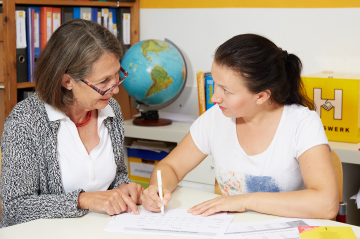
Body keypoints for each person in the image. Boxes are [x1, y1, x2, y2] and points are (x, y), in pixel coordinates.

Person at [141, 34, 339, 219]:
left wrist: (245, 201)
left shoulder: (302, 123)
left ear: (262, 96)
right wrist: (158, 189)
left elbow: (326, 204)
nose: (215, 98)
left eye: (226, 90)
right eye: (215, 84)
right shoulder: (214, 119)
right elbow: (170, 168)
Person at [0, 19, 143, 228]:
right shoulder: (25, 121)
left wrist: (123, 186)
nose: (115, 89)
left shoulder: (111, 110)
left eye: (117, 76)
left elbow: (117, 172)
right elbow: (15, 207)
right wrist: (83, 200)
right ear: (67, 81)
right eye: (103, 82)